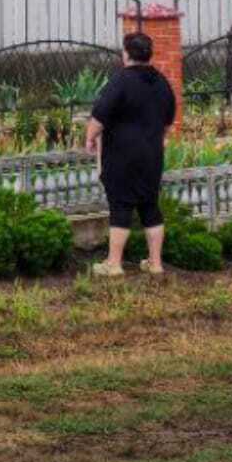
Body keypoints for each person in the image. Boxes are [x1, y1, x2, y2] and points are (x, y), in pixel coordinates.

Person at [85, 30, 178, 277]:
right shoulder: (161, 82)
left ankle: (113, 264)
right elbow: (168, 121)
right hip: (151, 155)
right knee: (150, 206)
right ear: (149, 54)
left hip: (121, 156)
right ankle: (155, 263)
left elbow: (100, 116)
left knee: (121, 205)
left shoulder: (120, 81)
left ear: (126, 54)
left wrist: (90, 137)